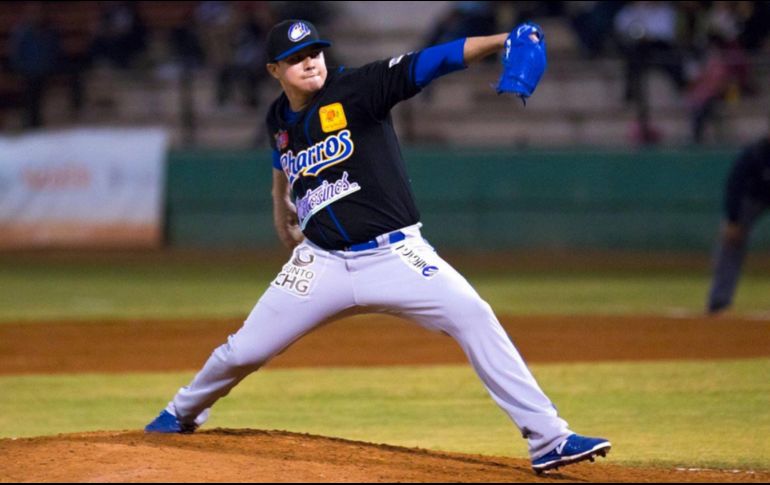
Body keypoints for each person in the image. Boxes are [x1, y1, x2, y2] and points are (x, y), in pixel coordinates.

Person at [145, 19, 611, 474]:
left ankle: (549, 439)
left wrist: (502, 39)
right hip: (321, 263)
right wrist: (280, 207)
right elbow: (280, 152)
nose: (310, 63)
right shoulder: (278, 116)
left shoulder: (359, 88)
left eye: (314, 52)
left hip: (395, 256)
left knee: (473, 314)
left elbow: (432, 61)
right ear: (273, 71)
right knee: (243, 351)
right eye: (295, 59)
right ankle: (179, 413)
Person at [706, 128, 770, 314]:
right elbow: (735, 185)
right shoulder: (756, 153)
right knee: (730, 243)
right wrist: (732, 220)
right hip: (752, 199)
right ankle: (719, 302)